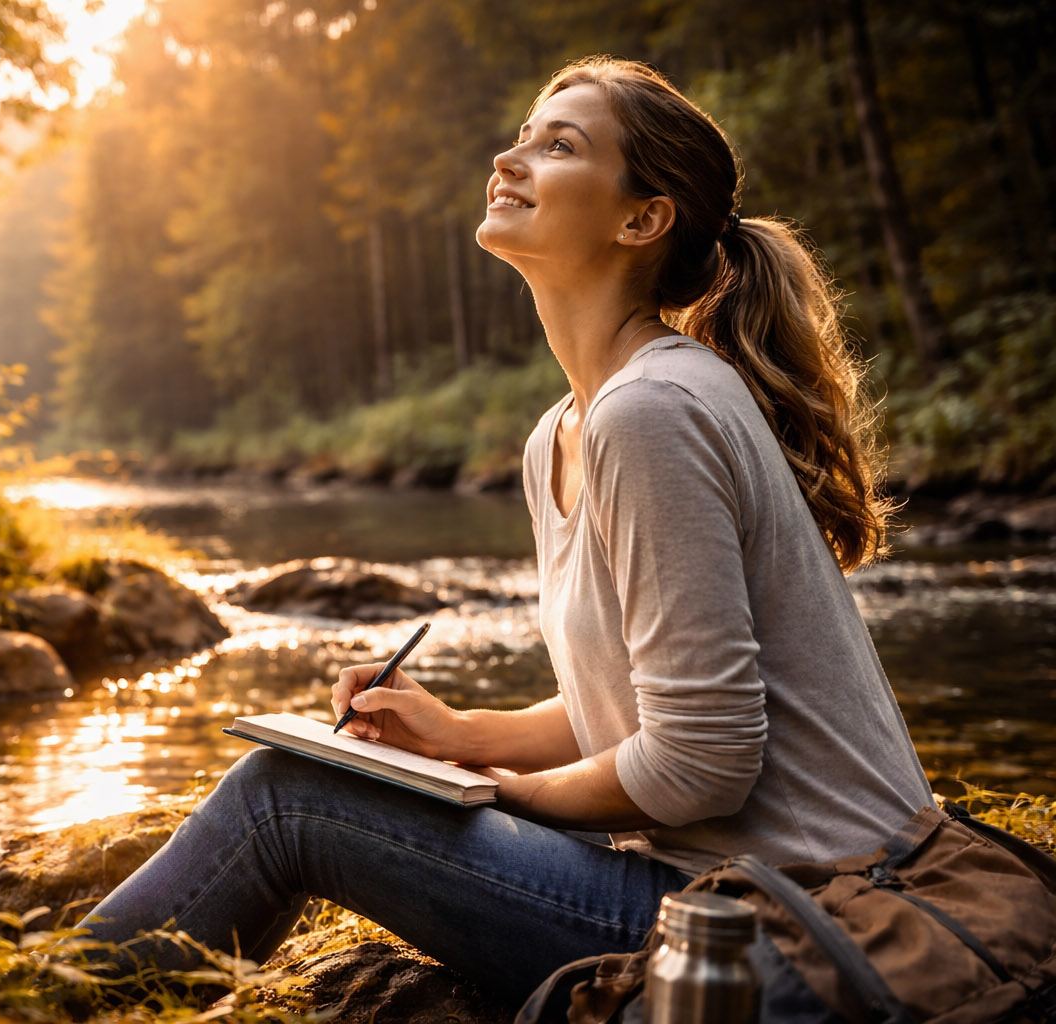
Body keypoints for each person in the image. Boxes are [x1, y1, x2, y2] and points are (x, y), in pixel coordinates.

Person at [73, 56, 933, 1008]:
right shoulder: (561, 432)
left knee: (285, 799)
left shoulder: (650, 411)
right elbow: (642, 703)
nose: (509, 157)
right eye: (522, 135)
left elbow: (701, 761)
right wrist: (457, 735)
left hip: (802, 924)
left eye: (558, 145)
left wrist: (492, 787)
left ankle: (28, 1004)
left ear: (642, 219)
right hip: (723, 889)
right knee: (300, 783)